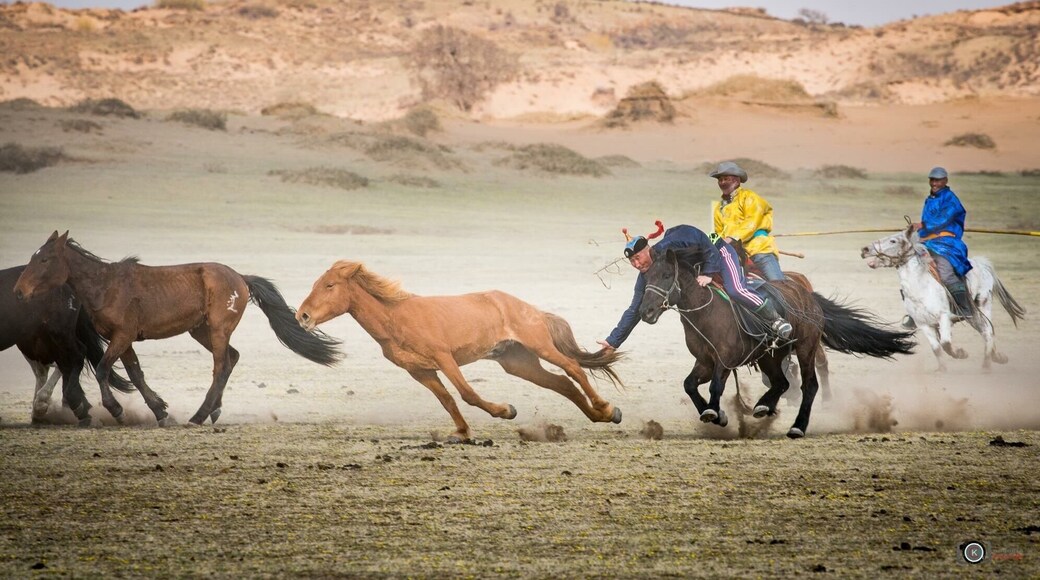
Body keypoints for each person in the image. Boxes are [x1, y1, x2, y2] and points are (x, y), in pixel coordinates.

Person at [597, 222, 792, 354]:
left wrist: (709, 272)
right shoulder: (648, 273)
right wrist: (613, 341)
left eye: (637, 258)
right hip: (703, 263)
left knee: (735, 290)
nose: (636, 264)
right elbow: (635, 309)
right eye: (631, 261)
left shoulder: (673, 241)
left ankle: (775, 319)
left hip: (720, 251)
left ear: (647, 250)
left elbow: (703, 239)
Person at [905, 166, 973, 327]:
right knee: (912, 270)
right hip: (927, 241)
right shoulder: (930, 199)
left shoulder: (951, 199)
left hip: (946, 242)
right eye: (932, 180)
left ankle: (965, 308)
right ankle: (914, 313)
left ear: (945, 181)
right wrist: (916, 231)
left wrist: (922, 224)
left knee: (945, 271)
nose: (934, 183)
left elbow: (943, 219)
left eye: (938, 180)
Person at [709, 161, 784, 281]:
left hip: (758, 250)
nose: (722, 183)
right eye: (720, 180)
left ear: (736, 181)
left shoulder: (750, 198)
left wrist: (731, 238)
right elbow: (719, 232)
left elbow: (751, 223)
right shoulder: (719, 208)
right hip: (734, 253)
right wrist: (712, 243)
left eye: (726, 179)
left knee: (778, 284)